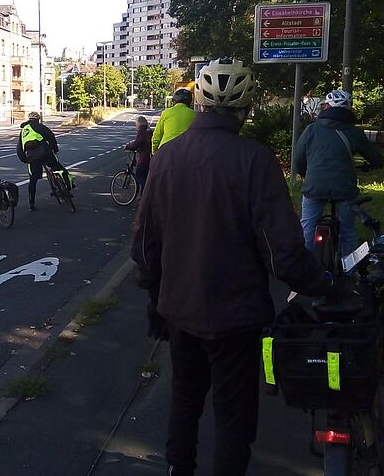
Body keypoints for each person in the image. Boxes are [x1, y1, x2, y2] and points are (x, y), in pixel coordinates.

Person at [131, 58, 329, 476]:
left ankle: (178, 468)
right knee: (234, 413)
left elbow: (146, 244)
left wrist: (154, 296)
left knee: (184, 398)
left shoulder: (166, 157)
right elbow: (283, 252)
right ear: (245, 108)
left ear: (199, 104)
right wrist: (322, 284)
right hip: (237, 316)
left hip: (179, 308)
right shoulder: (255, 159)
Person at [293, 89, 384, 257]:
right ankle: (349, 271)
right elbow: (376, 158)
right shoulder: (354, 132)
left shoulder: (311, 130)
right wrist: (375, 165)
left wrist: (307, 176)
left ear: (327, 107)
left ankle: (307, 269)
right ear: (348, 109)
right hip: (344, 188)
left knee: (307, 227)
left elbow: (298, 159)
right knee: (347, 231)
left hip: (315, 186)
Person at [16, 111, 71, 211]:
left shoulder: (24, 131)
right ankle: (68, 188)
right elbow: (51, 137)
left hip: (32, 158)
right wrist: (55, 149)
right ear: (38, 119)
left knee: (33, 180)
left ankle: (31, 204)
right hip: (46, 153)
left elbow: (19, 148)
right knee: (59, 168)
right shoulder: (41, 127)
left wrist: (24, 159)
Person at [151, 87, 196, 154]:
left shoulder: (166, 113)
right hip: (187, 152)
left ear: (174, 101)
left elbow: (156, 136)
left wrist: (154, 152)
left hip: (166, 150)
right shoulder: (194, 115)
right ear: (190, 101)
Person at [124, 115, 153, 193]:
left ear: (139, 124)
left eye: (136, 124)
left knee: (139, 176)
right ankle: (143, 196)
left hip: (143, 158)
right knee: (145, 177)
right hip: (150, 157)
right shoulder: (149, 130)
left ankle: (149, 192)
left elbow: (136, 143)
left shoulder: (141, 131)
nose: (135, 126)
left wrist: (128, 147)